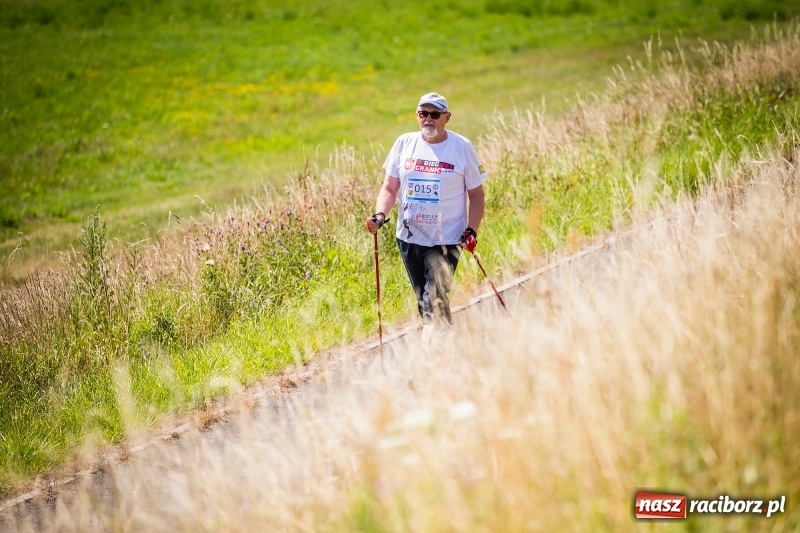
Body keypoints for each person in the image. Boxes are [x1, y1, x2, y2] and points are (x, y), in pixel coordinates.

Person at [365, 91, 488, 329]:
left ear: (447, 117)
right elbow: (389, 188)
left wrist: (472, 229)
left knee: (434, 298)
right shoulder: (404, 143)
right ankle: (449, 344)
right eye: (423, 114)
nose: (428, 119)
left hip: (447, 239)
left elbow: (476, 194)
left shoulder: (461, 147)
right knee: (425, 300)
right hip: (409, 238)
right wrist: (379, 215)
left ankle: (435, 348)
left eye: (434, 114)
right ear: (417, 116)